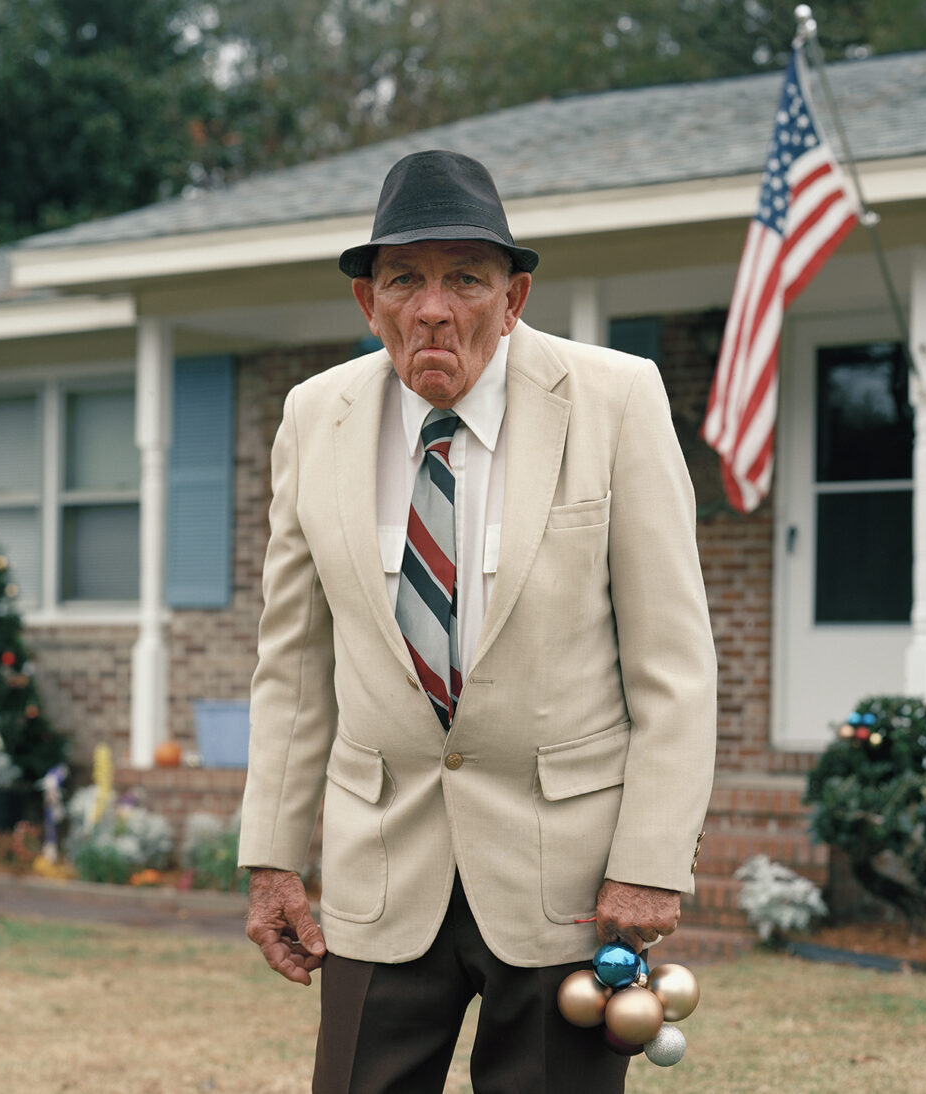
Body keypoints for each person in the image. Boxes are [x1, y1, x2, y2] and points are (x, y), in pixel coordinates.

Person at [238, 148, 717, 1093]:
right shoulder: (313, 415)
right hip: (382, 866)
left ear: (516, 295)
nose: (432, 307)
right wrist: (272, 858)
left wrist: (650, 862)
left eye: (467, 277)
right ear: (367, 303)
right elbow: (292, 661)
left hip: (566, 881)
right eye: (403, 280)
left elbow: (674, 666)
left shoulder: (617, 400)